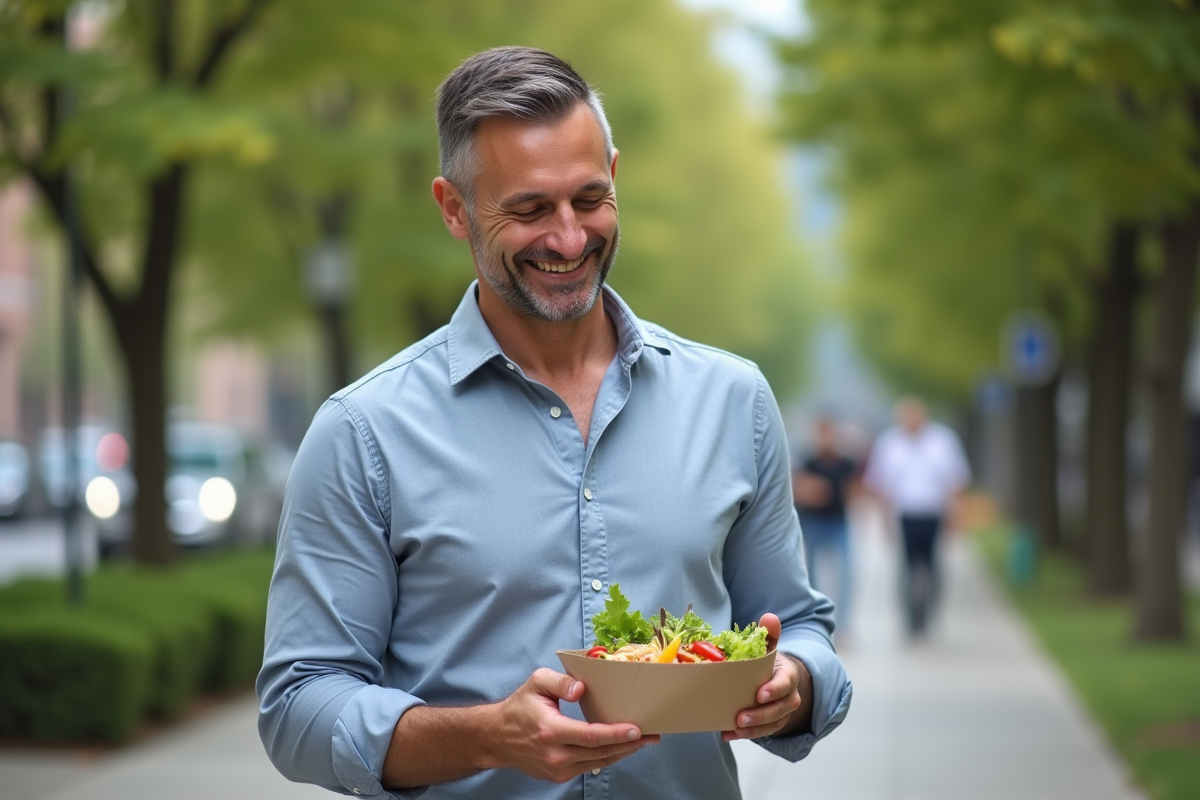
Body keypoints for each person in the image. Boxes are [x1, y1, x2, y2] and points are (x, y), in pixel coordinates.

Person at [257, 46, 851, 799]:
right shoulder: (362, 432)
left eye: (589, 198)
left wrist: (794, 685)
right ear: (453, 208)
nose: (570, 239)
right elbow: (299, 706)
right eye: (530, 209)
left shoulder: (733, 399)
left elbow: (800, 626)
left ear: (615, 177)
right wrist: (484, 736)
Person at [862, 397, 971, 638]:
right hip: (905, 514)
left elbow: (955, 480)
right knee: (907, 568)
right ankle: (911, 618)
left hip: (933, 513)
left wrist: (955, 515)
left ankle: (928, 616)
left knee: (933, 568)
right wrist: (884, 522)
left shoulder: (942, 441)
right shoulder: (889, 443)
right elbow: (879, 485)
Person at [793, 417, 857, 637]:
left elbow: (856, 489)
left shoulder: (846, 463)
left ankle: (844, 623)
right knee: (811, 575)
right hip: (815, 523)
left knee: (846, 572)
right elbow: (798, 490)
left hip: (839, 522)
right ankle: (816, 620)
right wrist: (811, 492)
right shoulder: (808, 462)